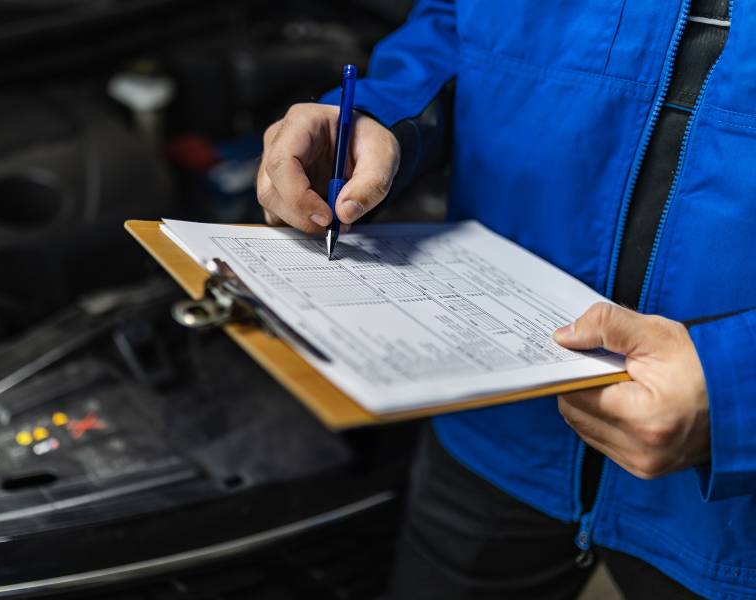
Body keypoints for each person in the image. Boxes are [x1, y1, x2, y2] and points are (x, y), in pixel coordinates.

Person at [257, 1, 753, 598]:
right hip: (496, 426)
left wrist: (736, 390)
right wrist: (384, 114)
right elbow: (455, 20)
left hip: (733, 519)